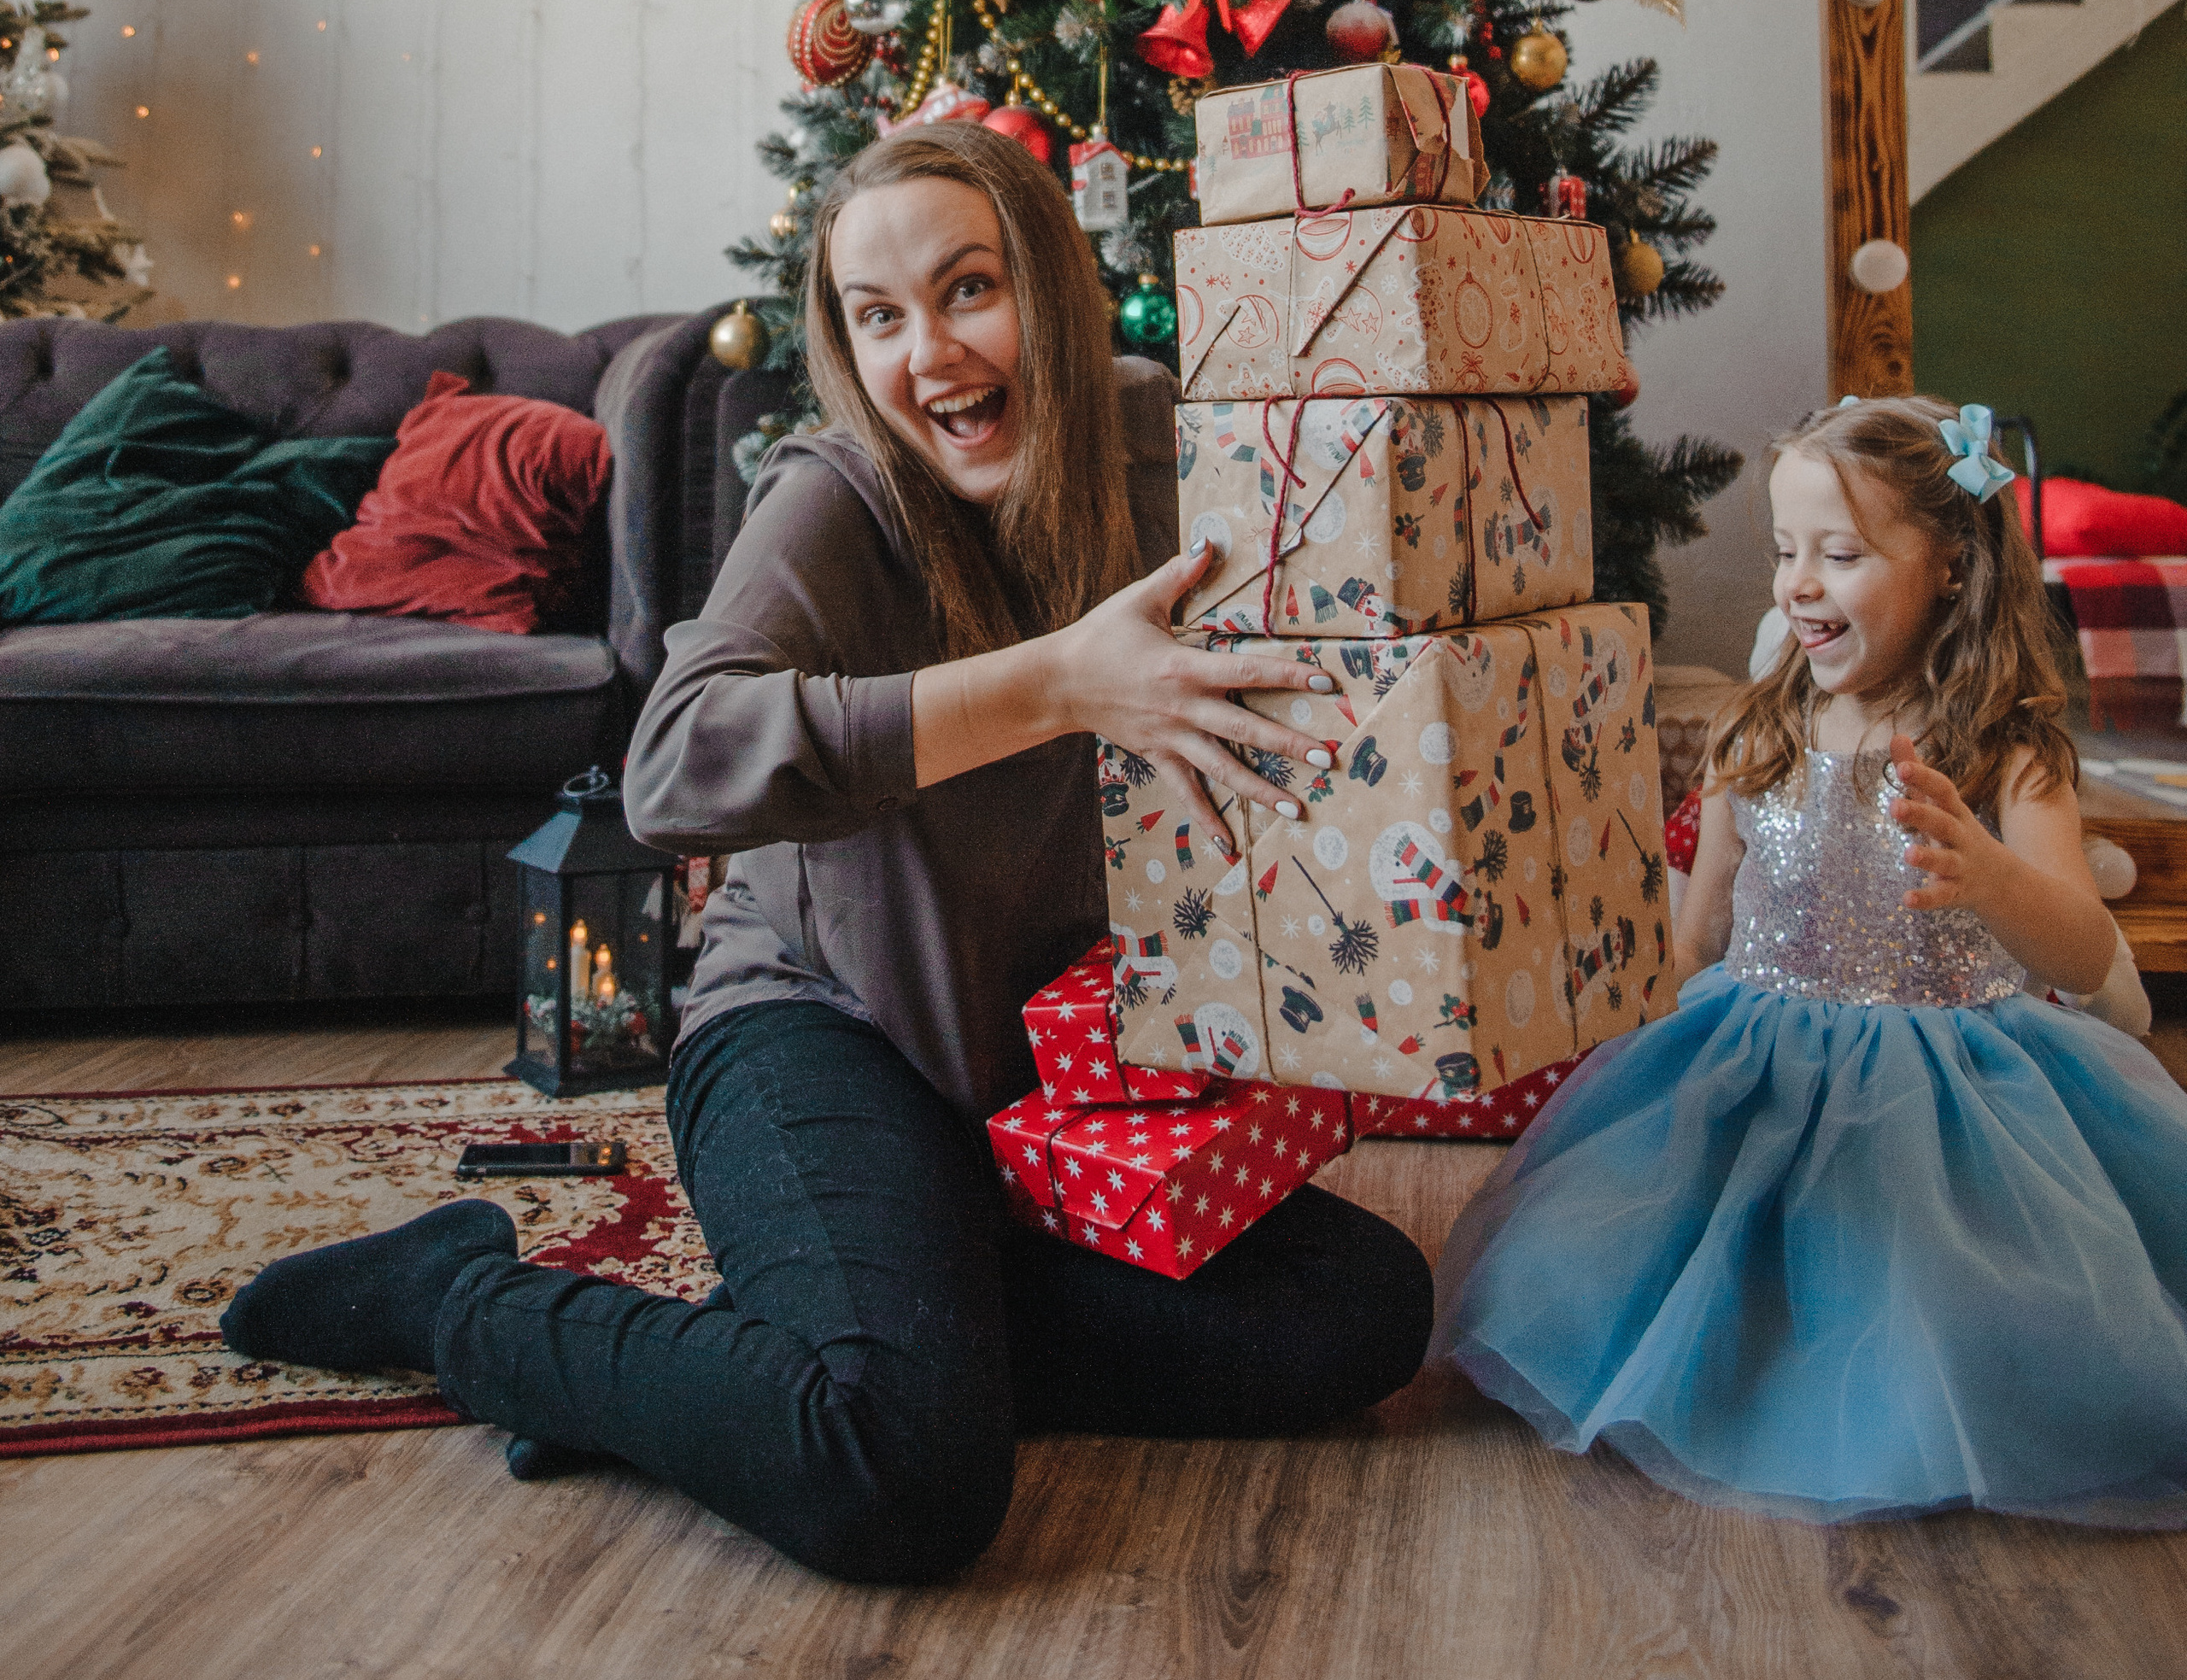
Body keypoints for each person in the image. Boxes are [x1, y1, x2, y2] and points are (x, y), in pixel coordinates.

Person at [224, 123, 1432, 1580]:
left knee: (1364, 1311)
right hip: (815, 1033)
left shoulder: (1154, 442)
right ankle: (458, 1297)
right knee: (900, 1480)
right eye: (877, 316)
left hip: (1043, 1091)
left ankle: (755, 1379)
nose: (928, 354)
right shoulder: (840, 493)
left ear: (1049, 285)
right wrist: (1053, 680)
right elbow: (674, 759)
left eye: (968, 289)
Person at [1430, 392, 2187, 1527]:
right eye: (1786, 551)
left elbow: (2083, 947)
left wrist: (1990, 872)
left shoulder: (2006, 750)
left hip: (1949, 1095)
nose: (1797, 584)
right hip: (1753, 1053)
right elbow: (1698, 936)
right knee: (1633, 1261)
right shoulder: (1759, 730)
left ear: (1950, 565)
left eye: (1839, 553)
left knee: (1946, 1307)